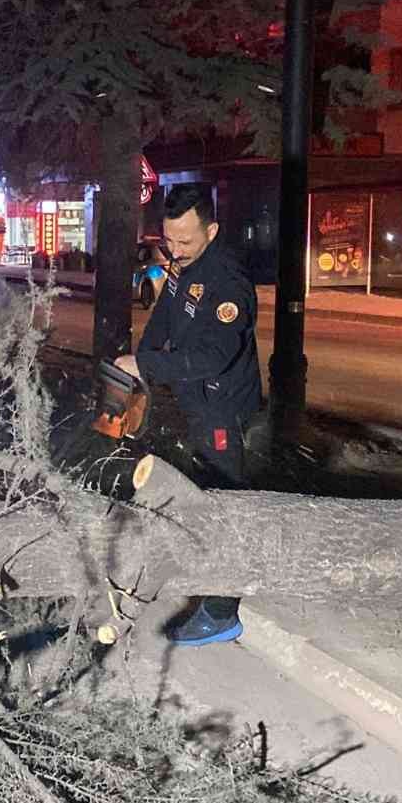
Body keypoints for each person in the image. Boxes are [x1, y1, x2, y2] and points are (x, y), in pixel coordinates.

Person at [114, 183, 262, 646]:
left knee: (222, 506)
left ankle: (221, 611)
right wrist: (142, 363)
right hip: (189, 403)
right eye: (169, 240)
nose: (175, 250)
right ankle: (194, 577)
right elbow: (164, 320)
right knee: (189, 497)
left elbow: (212, 357)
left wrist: (149, 365)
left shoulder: (229, 283)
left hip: (221, 408)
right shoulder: (182, 268)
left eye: (186, 241)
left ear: (212, 231)